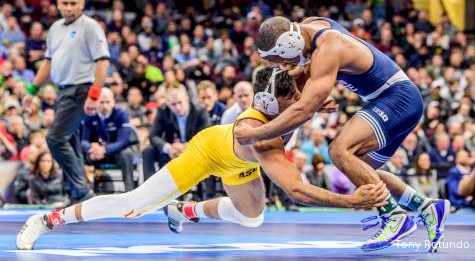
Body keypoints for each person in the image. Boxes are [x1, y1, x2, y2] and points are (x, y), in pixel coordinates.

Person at [16, 68, 388, 250]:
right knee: (135, 205)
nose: (306, 103)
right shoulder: (259, 136)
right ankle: (48, 219)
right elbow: (294, 189)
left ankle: (184, 211)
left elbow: (309, 79)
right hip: (208, 150)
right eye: (300, 101)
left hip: (238, 164)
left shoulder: (287, 91)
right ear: (275, 104)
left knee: (253, 220)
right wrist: (350, 201)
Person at [234, 16, 450, 252]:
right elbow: (309, 82)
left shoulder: (327, 48)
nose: (284, 66)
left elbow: (303, 111)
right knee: (360, 170)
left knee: (338, 151)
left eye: (281, 60)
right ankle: (428, 207)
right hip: (395, 99)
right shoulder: (312, 27)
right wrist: (312, 96)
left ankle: (394, 216)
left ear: (290, 43)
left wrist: (257, 134)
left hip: (397, 99)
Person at [22, 0, 110, 204]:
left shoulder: (90, 26)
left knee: (55, 139)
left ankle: (82, 190)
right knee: (70, 142)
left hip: (81, 90)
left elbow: (103, 61)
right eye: (65, 3)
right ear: (58, 4)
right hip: (63, 90)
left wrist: (94, 94)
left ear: (82, 4)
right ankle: (77, 194)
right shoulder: (55, 28)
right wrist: (32, 90)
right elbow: (48, 62)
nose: (69, 8)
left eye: (73, 3)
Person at [141, 87, 210, 180]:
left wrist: (185, 147)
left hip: (194, 149)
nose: (177, 107)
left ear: (186, 99)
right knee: (148, 151)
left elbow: (205, 137)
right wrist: (168, 148)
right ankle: (149, 189)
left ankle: (208, 193)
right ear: (168, 104)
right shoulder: (163, 110)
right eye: (173, 104)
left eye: (180, 102)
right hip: (172, 150)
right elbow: (153, 135)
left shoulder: (200, 110)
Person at [81, 88, 136, 191]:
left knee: (127, 153)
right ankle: (79, 193)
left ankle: (130, 191)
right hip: (95, 154)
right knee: (76, 154)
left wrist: (105, 150)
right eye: (101, 102)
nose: (105, 106)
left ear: (113, 102)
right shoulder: (89, 115)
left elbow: (123, 141)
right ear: (96, 102)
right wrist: (90, 148)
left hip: (115, 153)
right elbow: (82, 140)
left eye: (108, 102)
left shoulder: (121, 114)